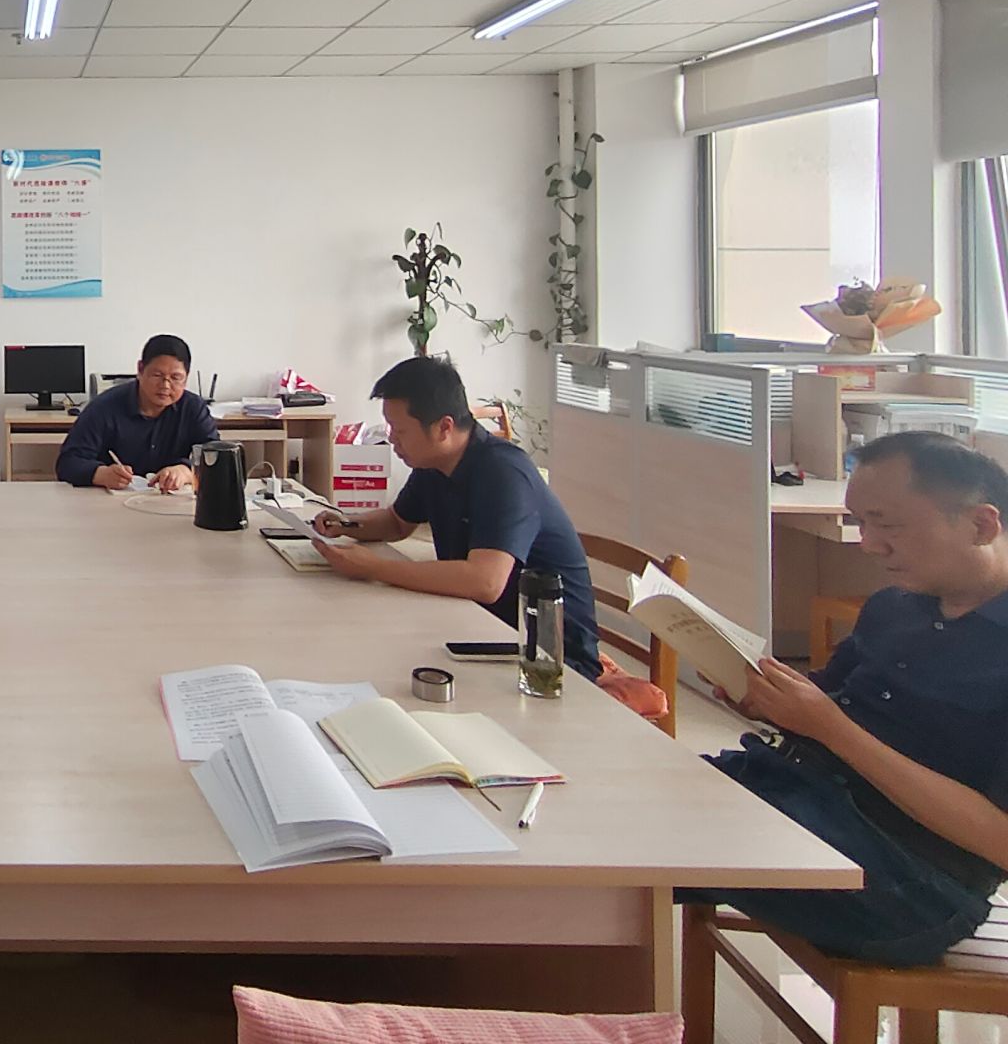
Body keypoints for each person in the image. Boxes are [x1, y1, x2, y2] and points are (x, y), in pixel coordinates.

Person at [682, 432, 1008, 965]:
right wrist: (768, 699)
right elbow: (828, 705)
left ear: (981, 525)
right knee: (618, 799)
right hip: (799, 791)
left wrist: (831, 728)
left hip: (909, 881)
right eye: (860, 523)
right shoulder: (896, 606)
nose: (869, 545)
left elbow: (1001, 840)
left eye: (888, 525)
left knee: (634, 843)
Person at [312, 356, 601, 679]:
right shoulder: (433, 464)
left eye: (400, 430)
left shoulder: (503, 472)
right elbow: (397, 522)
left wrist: (373, 568)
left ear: (444, 427)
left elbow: (485, 582)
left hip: (547, 659)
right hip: (477, 625)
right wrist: (347, 524)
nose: (391, 438)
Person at [56, 334, 218, 492]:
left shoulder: (193, 408)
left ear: (186, 378)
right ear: (140, 369)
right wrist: (100, 474)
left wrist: (186, 471)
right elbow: (68, 463)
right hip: (112, 502)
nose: (165, 385)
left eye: (176, 377)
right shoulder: (105, 407)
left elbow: (216, 457)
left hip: (171, 500)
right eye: (157, 375)